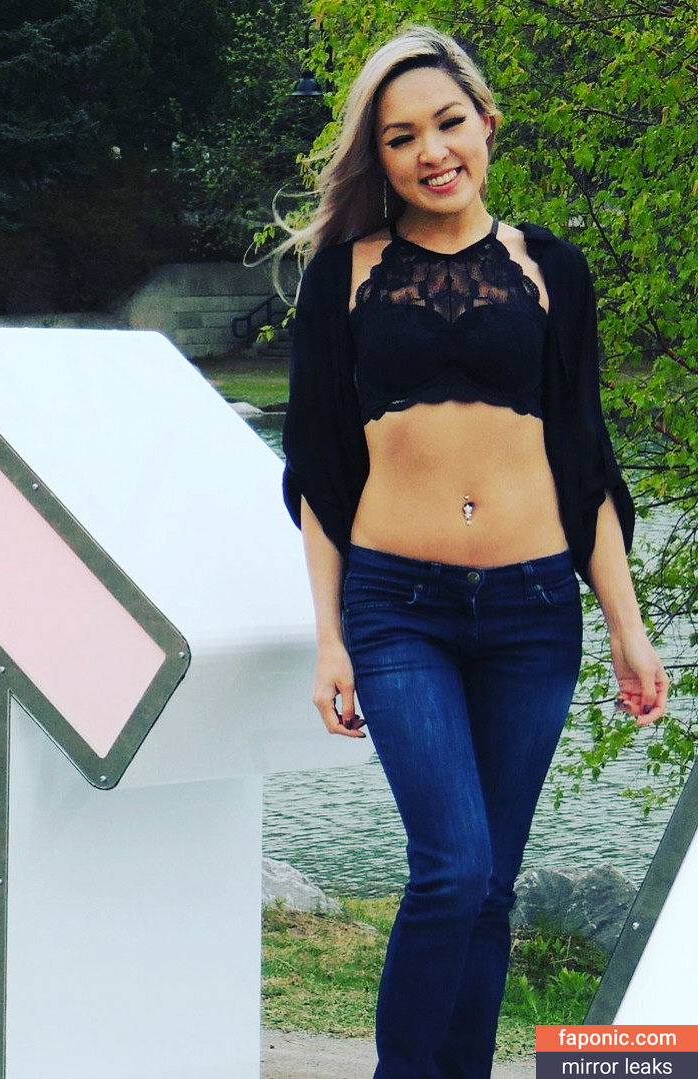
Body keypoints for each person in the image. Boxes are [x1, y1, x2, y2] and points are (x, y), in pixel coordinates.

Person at [278, 24, 669, 1079]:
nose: (431, 151)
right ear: (379, 155)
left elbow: (585, 461)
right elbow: (317, 467)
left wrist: (628, 628)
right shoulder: (342, 273)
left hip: (535, 613)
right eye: (401, 136)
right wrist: (330, 637)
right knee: (450, 869)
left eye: (448, 123)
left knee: (491, 886)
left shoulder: (555, 270)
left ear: (487, 123)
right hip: (397, 607)